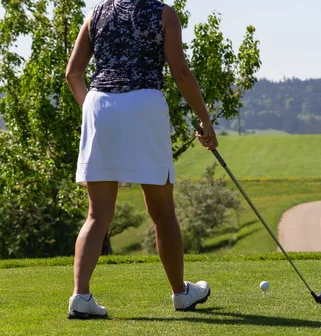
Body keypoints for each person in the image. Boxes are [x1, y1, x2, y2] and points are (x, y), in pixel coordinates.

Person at [66, 0, 218, 319]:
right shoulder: (164, 14)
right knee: (162, 210)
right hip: (144, 105)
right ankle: (181, 293)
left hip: (99, 106)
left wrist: (94, 114)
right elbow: (180, 72)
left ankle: (81, 297)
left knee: (98, 214)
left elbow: (73, 73)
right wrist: (205, 120)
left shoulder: (96, 14)